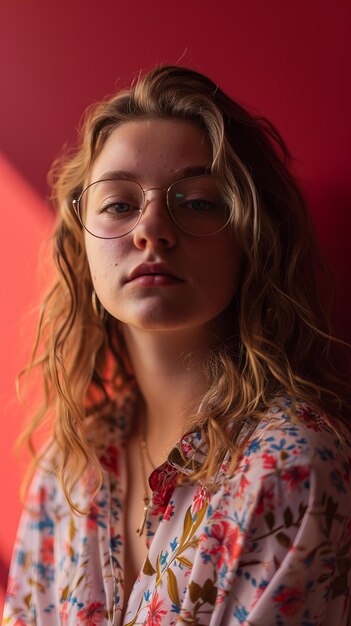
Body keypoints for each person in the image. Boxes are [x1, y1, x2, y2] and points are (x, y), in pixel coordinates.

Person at [2, 65, 351, 626]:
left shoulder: (290, 466)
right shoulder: (70, 471)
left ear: (251, 236)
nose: (152, 230)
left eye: (197, 201)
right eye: (118, 204)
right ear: (81, 242)